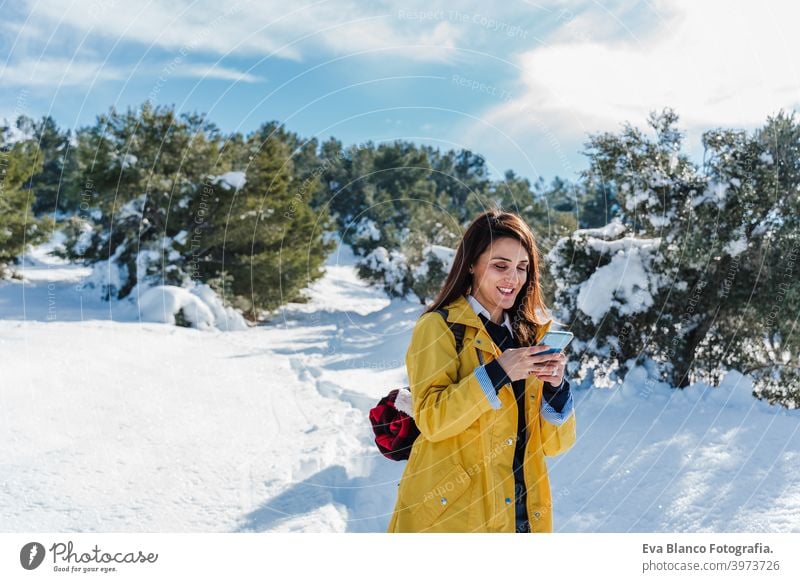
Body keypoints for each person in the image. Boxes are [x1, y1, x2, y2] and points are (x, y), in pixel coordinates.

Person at [387, 209, 576, 533]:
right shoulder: (439, 327)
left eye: (522, 268)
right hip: (455, 518)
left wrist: (555, 388)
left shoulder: (530, 336)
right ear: (472, 264)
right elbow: (433, 420)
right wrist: (498, 372)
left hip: (523, 513)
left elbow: (555, 446)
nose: (513, 279)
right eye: (500, 265)